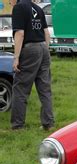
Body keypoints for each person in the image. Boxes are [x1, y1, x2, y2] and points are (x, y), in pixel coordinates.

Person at [10, 0, 54, 131]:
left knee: (20, 88)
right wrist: (45, 50)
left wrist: (16, 57)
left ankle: (18, 126)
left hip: (30, 48)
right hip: (43, 47)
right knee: (45, 89)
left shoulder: (19, 8)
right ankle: (48, 124)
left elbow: (20, 33)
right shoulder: (38, 8)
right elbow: (47, 33)